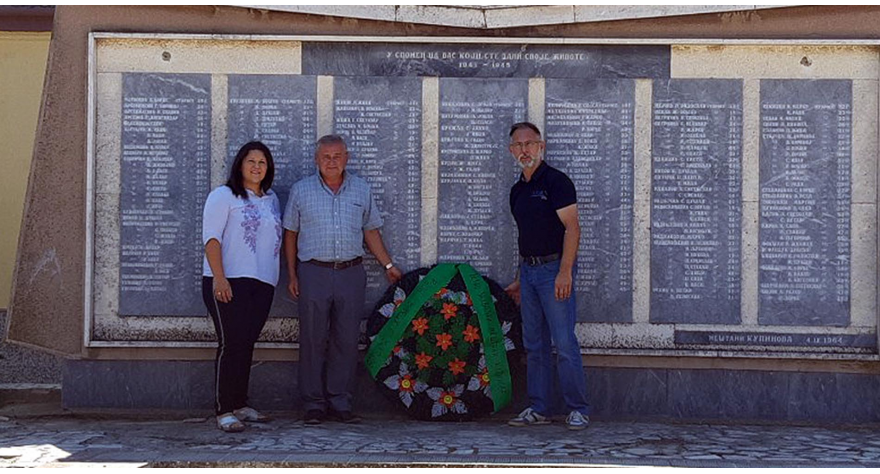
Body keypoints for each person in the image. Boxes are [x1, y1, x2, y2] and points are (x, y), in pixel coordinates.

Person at [283, 134, 403, 425]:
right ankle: (313, 404)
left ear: (347, 158)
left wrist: (387, 264)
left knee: (346, 340)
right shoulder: (301, 191)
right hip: (313, 272)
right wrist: (292, 274)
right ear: (316, 160)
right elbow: (290, 233)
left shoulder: (361, 189)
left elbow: (370, 231)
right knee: (312, 338)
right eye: (326, 157)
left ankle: (340, 401)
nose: (332, 162)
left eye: (337, 156)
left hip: (351, 273)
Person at [504, 122, 591, 431]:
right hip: (529, 273)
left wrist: (565, 272)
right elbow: (526, 236)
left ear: (541, 146)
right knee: (534, 344)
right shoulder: (517, 190)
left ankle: (578, 408)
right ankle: (539, 407)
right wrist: (519, 276)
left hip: (555, 271)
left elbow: (573, 228)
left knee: (564, 342)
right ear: (511, 151)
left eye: (530, 143)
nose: (524, 149)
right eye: (518, 145)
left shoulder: (557, 182)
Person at [202, 141, 282, 433]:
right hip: (228, 280)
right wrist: (219, 277)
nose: (257, 167)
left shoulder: (271, 200)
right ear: (240, 165)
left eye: (262, 162)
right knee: (231, 344)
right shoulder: (223, 196)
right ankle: (223, 409)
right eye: (251, 161)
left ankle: (240, 403)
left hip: (261, 282)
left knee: (246, 344)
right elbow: (211, 238)